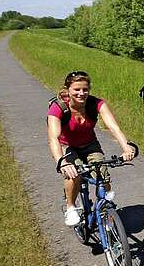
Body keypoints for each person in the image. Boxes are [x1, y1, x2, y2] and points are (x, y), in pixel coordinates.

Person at [47, 70, 136, 226]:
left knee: (102, 172)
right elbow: (53, 138)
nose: (81, 93)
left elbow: (113, 127)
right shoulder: (58, 107)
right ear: (68, 89)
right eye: (77, 89)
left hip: (90, 144)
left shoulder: (96, 104)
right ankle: (70, 207)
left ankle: (105, 207)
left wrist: (126, 147)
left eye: (85, 89)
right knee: (74, 174)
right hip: (68, 147)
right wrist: (62, 162)